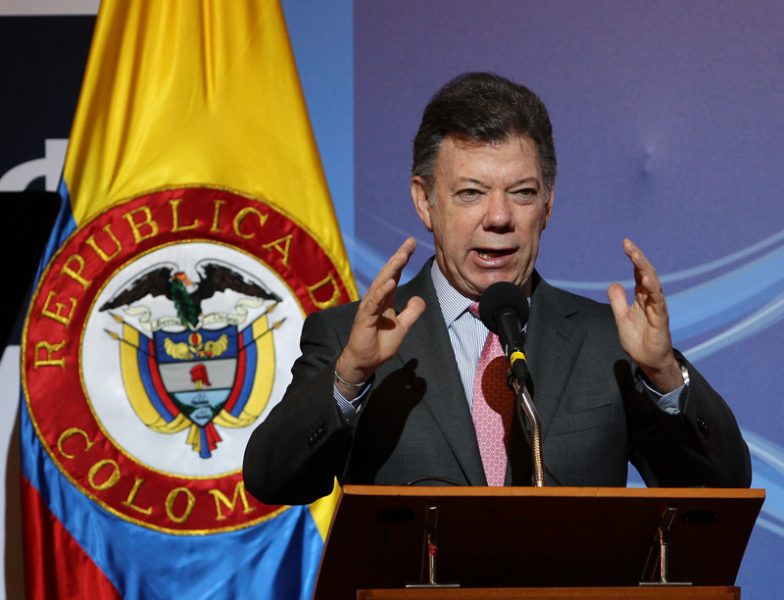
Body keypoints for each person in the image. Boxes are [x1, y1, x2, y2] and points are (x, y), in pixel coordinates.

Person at [243, 72, 751, 506]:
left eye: (523, 193)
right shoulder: (350, 340)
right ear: (425, 202)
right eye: (471, 193)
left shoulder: (610, 344)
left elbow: (722, 487)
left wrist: (663, 374)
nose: (500, 217)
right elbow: (274, 479)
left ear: (548, 205)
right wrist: (350, 378)